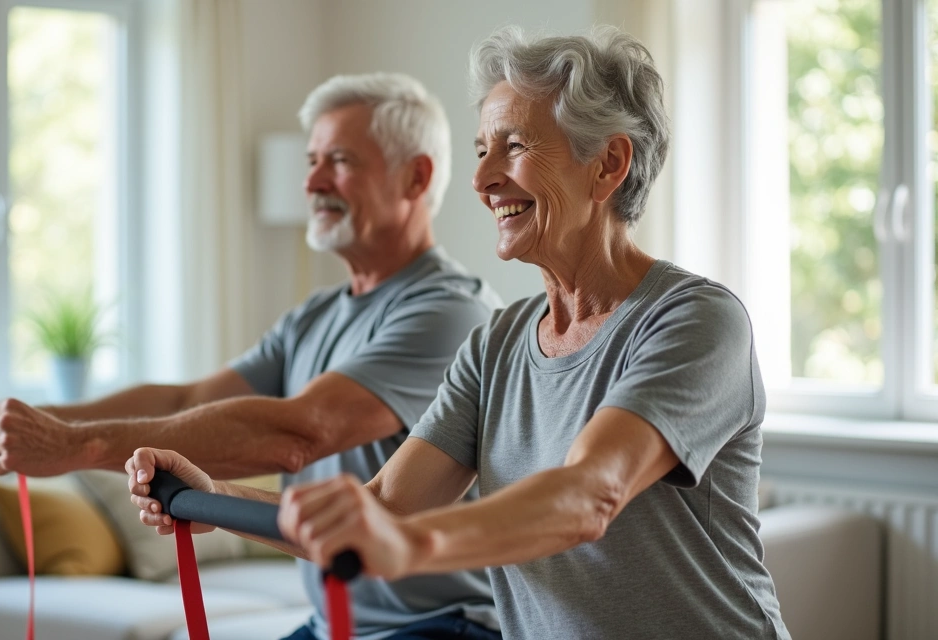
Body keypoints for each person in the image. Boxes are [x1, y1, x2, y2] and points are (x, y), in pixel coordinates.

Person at [128, 26, 792, 639]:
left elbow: (587, 496)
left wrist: (410, 546)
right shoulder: (496, 345)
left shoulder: (695, 322)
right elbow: (384, 506)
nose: (480, 179)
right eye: (480, 151)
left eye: (514, 146)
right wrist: (218, 501)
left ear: (608, 163)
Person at [0, 73, 504, 639]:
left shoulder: (448, 312)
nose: (312, 181)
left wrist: (70, 446)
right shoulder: (317, 316)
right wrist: (20, 419)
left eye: (339, 160)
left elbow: (299, 433)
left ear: (416, 176)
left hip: (443, 626)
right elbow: (191, 400)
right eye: (311, 161)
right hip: (336, 624)